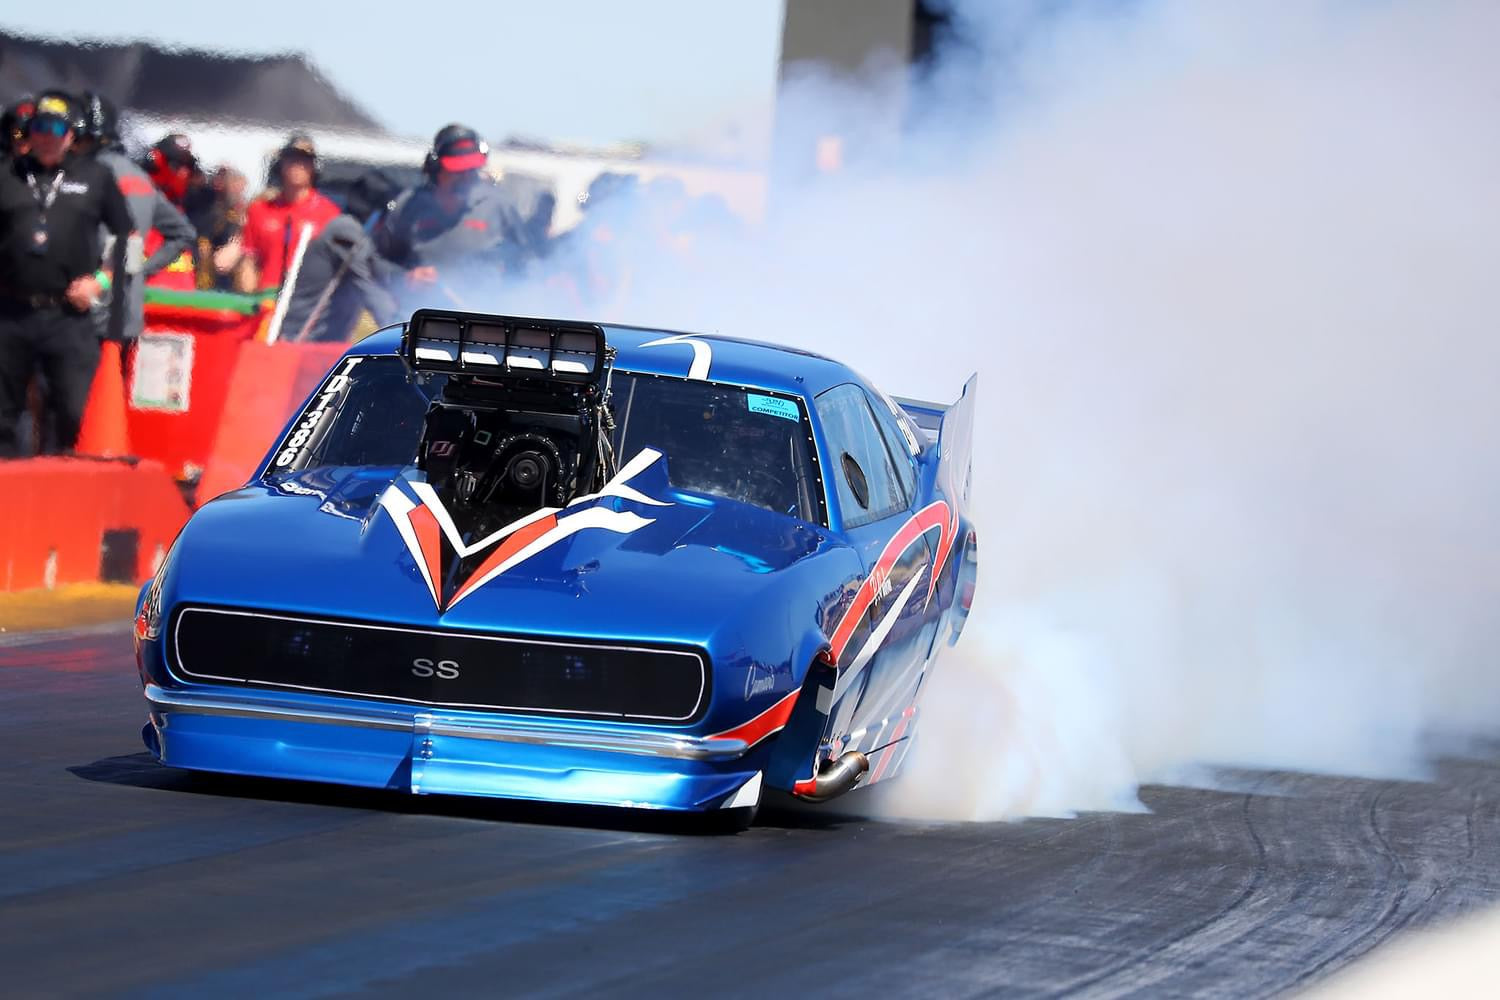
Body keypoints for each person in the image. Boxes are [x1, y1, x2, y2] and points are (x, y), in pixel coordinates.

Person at [0, 91, 131, 457]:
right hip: (10, 312)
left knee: (74, 412)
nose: (47, 136)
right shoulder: (7, 175)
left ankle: (67, 481)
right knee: (3, 415)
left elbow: (128, 238)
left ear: (71, 134)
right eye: (40, 127)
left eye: (56, 128)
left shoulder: (96, 176)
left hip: (68, 315)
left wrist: (100, 281)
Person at [75, 92, 194, 343]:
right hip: (128, 317)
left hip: (87, 314)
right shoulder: (140, 178)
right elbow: (184, 233)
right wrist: (143, 270)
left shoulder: (86, 176)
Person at [372, 124, 529, 308]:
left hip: (482, 316)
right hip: (420, 315)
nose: (467, 178)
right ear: (435, 169)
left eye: (472, 170)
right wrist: (404, 279)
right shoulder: (408, 207)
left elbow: (525, 265)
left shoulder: (498, 206)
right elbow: (375, 261)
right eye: (458, 171)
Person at [236, 134, 339, 292]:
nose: (297, 166)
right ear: (281, 164)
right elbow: (249, 260)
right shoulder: (260, 210)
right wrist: (249, 298)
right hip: (266, 298)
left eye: (304, 161)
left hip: (306, 299)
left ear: (313, 167)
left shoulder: (329, 213)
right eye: (291, 160)